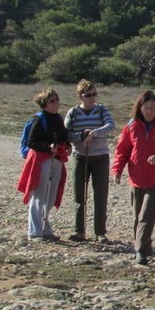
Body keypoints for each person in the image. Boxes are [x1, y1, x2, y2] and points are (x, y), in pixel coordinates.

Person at [112, 90, 155, 266]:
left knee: (146, 216)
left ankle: (140, 252)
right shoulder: (132, 126)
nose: (150, 111)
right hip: (136, 178)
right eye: (146, 107)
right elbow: (122, 150)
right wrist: (117, 170)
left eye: (153, 107)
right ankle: (145, 244)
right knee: (137, 216)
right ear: (140, 108)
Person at [17, 87, 72, 241]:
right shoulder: (39, 118)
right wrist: (48, 148)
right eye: (52, 100)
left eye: (57, 99)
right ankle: (34, 231)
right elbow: (31, 141)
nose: (56, 103)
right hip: (41, 160)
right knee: (40, 194)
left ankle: (45, 228)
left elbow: (63, 136)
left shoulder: (59, 118)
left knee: (51, 195)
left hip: (57, 159)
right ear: (45, 104)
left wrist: (67, 146)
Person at [64, 79, 115, 244]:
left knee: (100, 196)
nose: (92, 98)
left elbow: (110, 126)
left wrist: (94, 133)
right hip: (80, 156)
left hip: (101, 157)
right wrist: (81, 136)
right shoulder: (73, 113)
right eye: (88, 95)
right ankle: (79, 231)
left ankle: (100, 232)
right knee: (80, 195)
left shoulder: (101, 110)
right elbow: (67, 134)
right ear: (79, 96)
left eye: (94, 94)